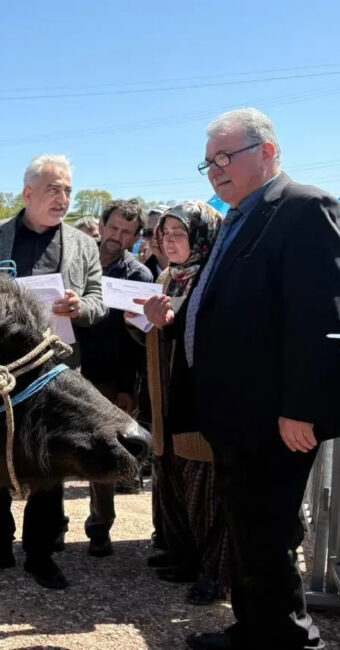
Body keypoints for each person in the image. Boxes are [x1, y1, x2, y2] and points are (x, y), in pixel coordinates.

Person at [174, 108, 340, 650]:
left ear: (267, 152)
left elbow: (320, 318)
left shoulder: (303, 208)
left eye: (226, 156)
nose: (216, 169)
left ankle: (293, 641)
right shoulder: (237, 216)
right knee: (247, 528)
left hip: (277, 417)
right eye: (209, 162)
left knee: (270, 533)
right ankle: (254, 630)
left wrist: (303, 406)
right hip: (234, 412)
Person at [0, 153, 106, 590]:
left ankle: (40, 553)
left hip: (55, 374)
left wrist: (82, 307)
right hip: (1, 371)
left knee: (49, 463)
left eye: (67, 190)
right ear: (28, 193)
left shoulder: (83, 244)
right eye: (53, 189)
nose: (62, 197)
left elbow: (99, 299)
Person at [131, 201, 231, 610]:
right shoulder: (169, 276)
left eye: (178, 234)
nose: (169, 241)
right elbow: (161, 335)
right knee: (172, 477)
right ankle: (185, 556)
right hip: (167, 398)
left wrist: (166, 325)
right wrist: (142, 326)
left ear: (202, 237)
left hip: (200, 403)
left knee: (204, 490)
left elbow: (211, 338)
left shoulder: (214, 277)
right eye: (164, 233)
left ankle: (215, 574)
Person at [74, 200, 153, 558]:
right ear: (102, 226)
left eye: (126, 232)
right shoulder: (75, 259)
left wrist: (127, 388)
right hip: (69, 368)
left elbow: (137, 344)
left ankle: (99, 527)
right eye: (113, 228)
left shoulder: (139, 277)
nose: (116, 237)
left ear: (135, 237)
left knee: (103, 454)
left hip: (108, 378)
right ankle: (51, 528)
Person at [137, 204, 169, 279]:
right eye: (149, 233)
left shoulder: (193, 272)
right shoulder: (139, 275)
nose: (155, 237)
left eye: (160, 231)